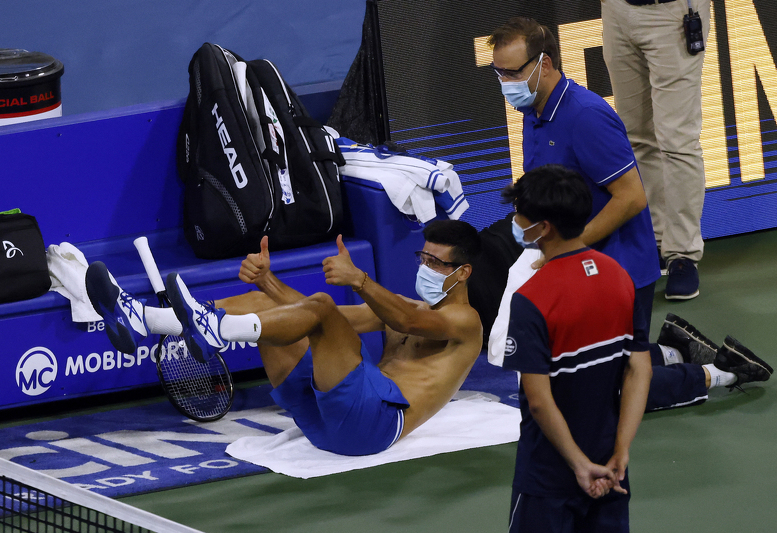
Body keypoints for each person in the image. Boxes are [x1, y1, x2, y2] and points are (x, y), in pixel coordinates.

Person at [487, 17, 772, 412]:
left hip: (616, 272)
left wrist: (571, 247)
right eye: (498, 72)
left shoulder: (586, 117)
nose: (505, 82)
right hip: (579, 264)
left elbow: (632, 197)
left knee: (608, 391)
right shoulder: (534, 109)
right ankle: (673, 350)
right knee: (571, 369)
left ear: (545, 64)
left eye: (512, 72)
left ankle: (723, 371)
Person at [85, 220, 484, 456]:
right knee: (266, 303)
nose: (426, 266)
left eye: (435, 262)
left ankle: (210, 327)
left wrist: (359, 279)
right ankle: (145, 319)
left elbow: (409, 322)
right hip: (323, 420)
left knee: (323, 305)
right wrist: (268, 282)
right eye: (423, 258)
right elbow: (313, 316)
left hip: (373, 425)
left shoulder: (466, 323)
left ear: (462, 272)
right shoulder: (400, 306)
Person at [501, 164, 651, 532]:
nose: (516, 221)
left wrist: (579, 465)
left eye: (520, 214)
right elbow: (639, 369)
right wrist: (621, 450)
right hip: (611, 467)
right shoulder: (619, 276)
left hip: (549, 475)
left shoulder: (531, 299)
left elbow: (538, 399)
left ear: (544, 228)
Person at [602, 0, 711, 300]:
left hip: (672, 12)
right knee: (635, 136)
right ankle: (656, 241)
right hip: (618, 11)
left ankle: (683, 254)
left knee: (678, 141)